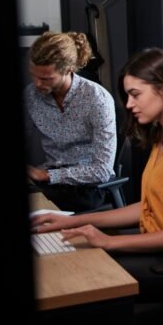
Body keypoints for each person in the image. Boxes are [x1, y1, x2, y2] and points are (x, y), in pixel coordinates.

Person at [30, 48, 163, 302]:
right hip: (162, 248)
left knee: (81, 274)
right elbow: (149, 207)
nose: (129, 105)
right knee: (77, 253)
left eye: (135, 95)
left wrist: (108, 242)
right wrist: (72, 221)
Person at [25, 31, 117, 211]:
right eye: (33, 76)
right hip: (50, 181)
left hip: (88, 185)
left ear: (68, 70)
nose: (37, 84)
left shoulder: (96, 99)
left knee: (42, 212)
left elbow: (102, 170)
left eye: (45, 78)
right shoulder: (31, 95)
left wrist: (48, 175)